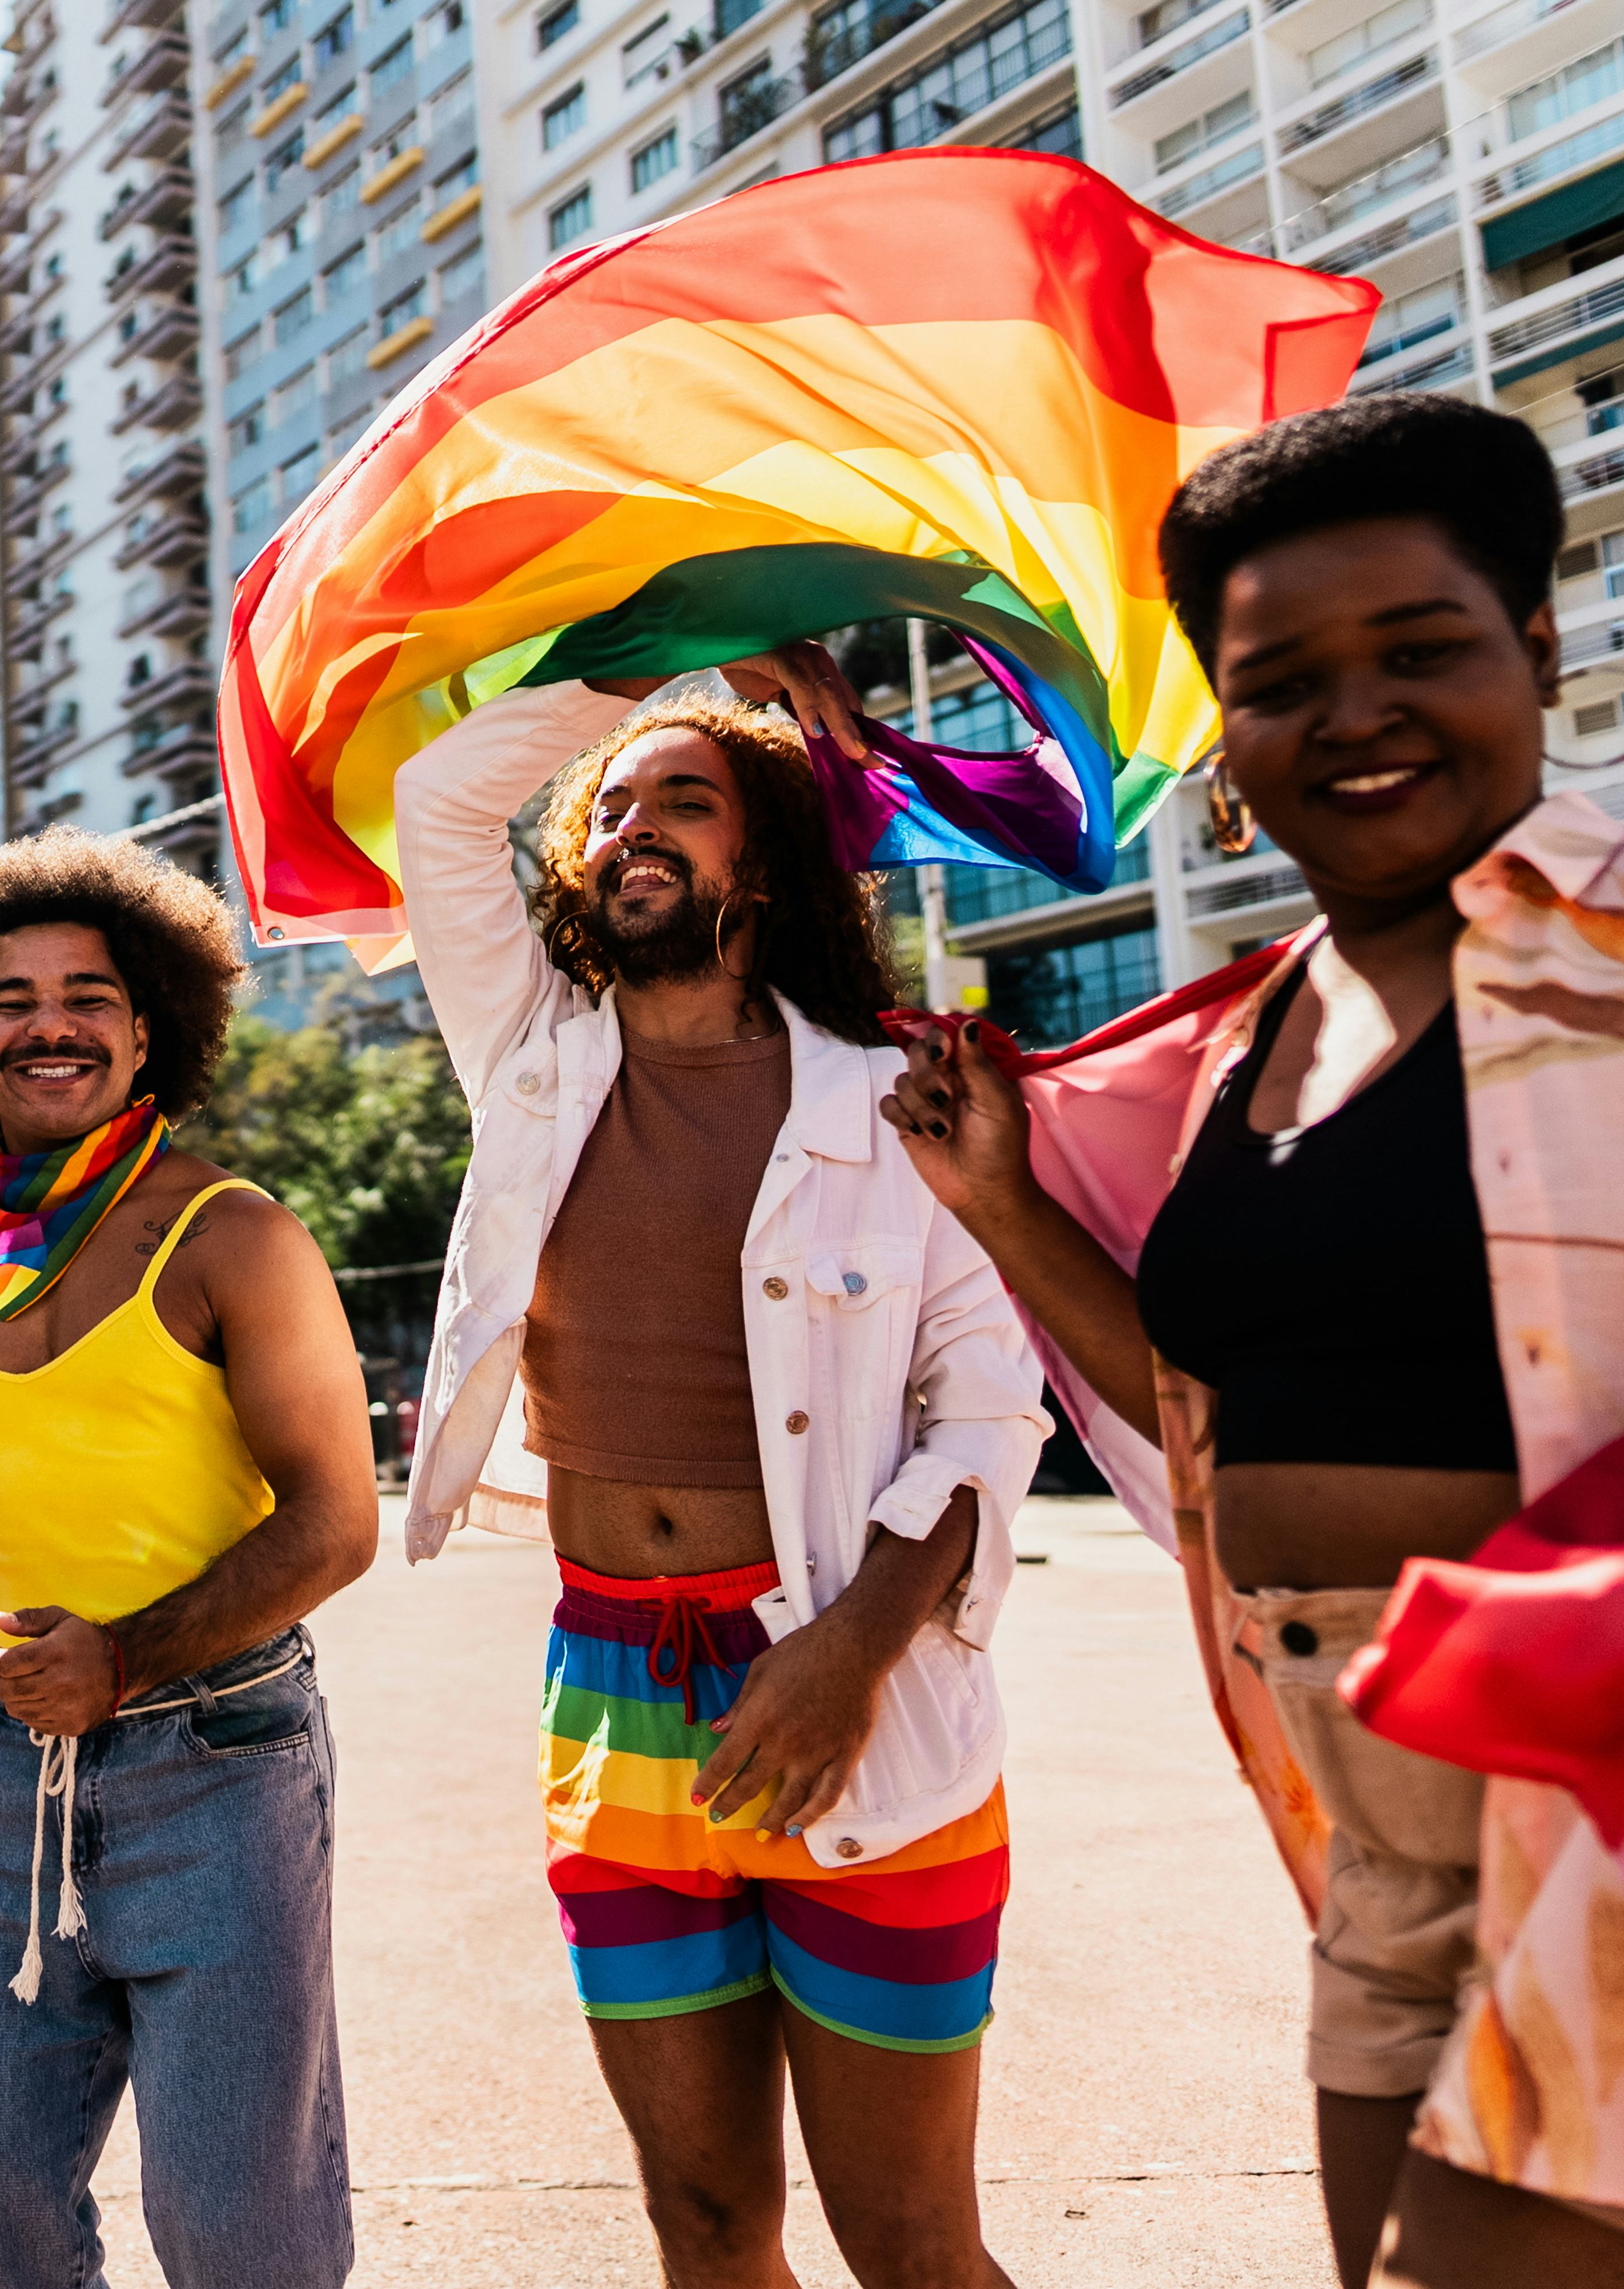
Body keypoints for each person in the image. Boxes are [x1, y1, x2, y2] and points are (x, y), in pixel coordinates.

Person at [879, 393, 1624, 2287]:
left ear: (1537, 648)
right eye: (1282, 675)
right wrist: (1000, 1205)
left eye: (1422, 648)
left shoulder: (1609, 953)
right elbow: (1207, 1415)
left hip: (1584, 1772)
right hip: (1357, 1803)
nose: (1353, 710)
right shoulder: (1251, 1038)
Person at [391, 645, 1050, 2289]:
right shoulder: (532, 1063)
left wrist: (848, 1653)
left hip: (862, 1686)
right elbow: (438, 803)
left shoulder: (899, 1092)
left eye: (681, 803)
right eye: (608, 809)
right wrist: (658, 663)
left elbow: (987, 1418)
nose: (629, 827)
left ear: (764, 863)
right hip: (612, 1695)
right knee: (704, 2227)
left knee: (909, 2241)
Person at [0, 831, 377, 2289]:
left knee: (233, 2228)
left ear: (150, 1031)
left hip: (225, 1763)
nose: (50, 1023)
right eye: (11, 999)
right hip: (9, 1785)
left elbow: (336, 1519)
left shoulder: (232, 1233)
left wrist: (125, 1657)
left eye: (90, 995)